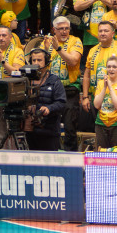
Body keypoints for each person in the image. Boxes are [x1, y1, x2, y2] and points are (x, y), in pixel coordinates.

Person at [41, 17, 84, 151]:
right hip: (50, 91)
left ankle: (70, 158)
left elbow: (73, 61)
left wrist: (58, 49)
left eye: (67, 28)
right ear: (54, 30)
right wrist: (47, 50)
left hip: (69, 91)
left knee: (70, 127)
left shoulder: (75, 41)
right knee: (48, 126)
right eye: (61, 29)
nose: (64, 31)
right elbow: (40, 66)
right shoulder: (46, 43)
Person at [0, 25, 26, 144]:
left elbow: (17, 73)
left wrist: (2, 62)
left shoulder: (17, 51)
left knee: (13, 132)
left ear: (10, 37)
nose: (1, 38)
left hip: (12, 98)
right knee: (0, 134)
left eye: (4, 35)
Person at [24, 48, 66, 151]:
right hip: (30, 131)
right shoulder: (25, 80)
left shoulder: (54, 80)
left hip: (49, 131)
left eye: (39, 60)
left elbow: (61, 102)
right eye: (34, 60)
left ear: (46, 62)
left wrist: (49, 108)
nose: (36, 63)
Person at [93, 56, 117, 149]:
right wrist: (104, 87)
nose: (111, 69)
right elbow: (96, 105)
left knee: (115, 153)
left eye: (114, 67)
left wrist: (110, 87)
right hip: (101, 123)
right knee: (101, 152)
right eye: (109, 67)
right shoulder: (101, 83)